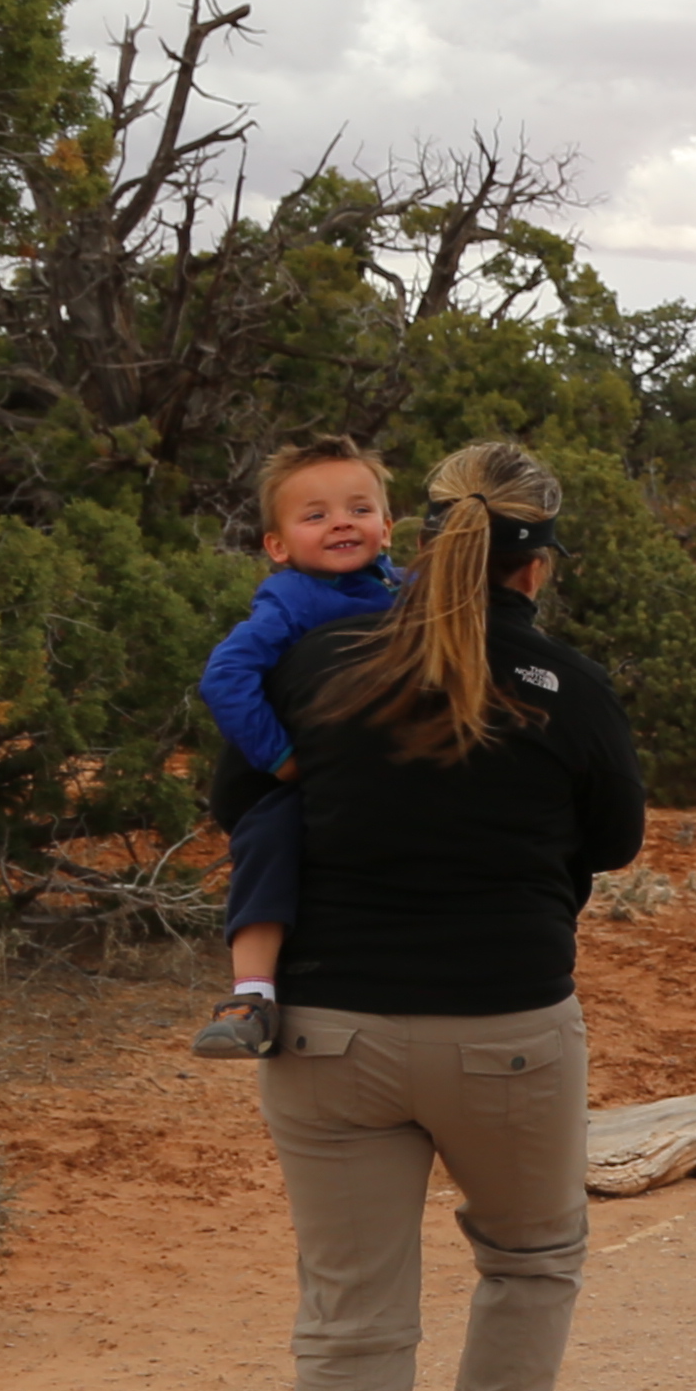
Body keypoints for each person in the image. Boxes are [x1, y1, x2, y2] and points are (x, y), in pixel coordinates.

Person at [254, 437, 648, 1391]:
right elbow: (618, 840)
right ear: (537, 563)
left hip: (323, 1035)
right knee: (532, 1258)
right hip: (506, 1033)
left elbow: (249, 796)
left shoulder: (315, 659)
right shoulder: (563, 682)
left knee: (350, 1327)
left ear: (420, 538)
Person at [187, 438, 404, 1060]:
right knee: (269, 838)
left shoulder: (408, 592)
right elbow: (224, 678)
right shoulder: (292, 601)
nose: (340, 522)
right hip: (303, 776)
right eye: (315, 515)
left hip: (387, 773)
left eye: (358, 510)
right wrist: (282, 759)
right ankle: (251, 994)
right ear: (277, 546)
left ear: (386, 528)